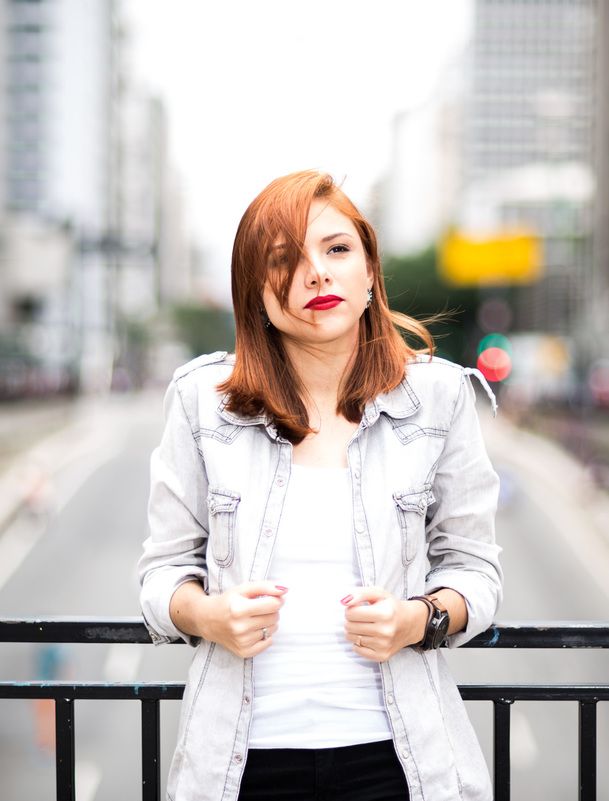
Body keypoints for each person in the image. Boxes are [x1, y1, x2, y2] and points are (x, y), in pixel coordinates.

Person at [138, 170, 503, 801]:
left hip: (399, 761)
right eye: (285, 259)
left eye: (337, 249)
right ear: (255, 292)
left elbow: (476, 571)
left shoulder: (440, 397)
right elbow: (161, 573)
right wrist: (209, 616)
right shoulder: (201, 402)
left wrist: (416, 619)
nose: (316, 273)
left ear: (370, 273)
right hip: (240, 765)